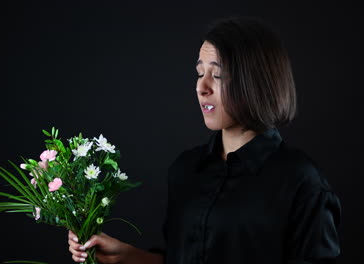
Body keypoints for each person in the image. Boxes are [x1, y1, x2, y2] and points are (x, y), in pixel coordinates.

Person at [67, 16, 342, 264]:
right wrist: (128, 257)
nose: (202, 87)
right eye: (200, 73)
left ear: (256, 82)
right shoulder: (186, 170)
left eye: (218, 75)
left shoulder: (302, 182)